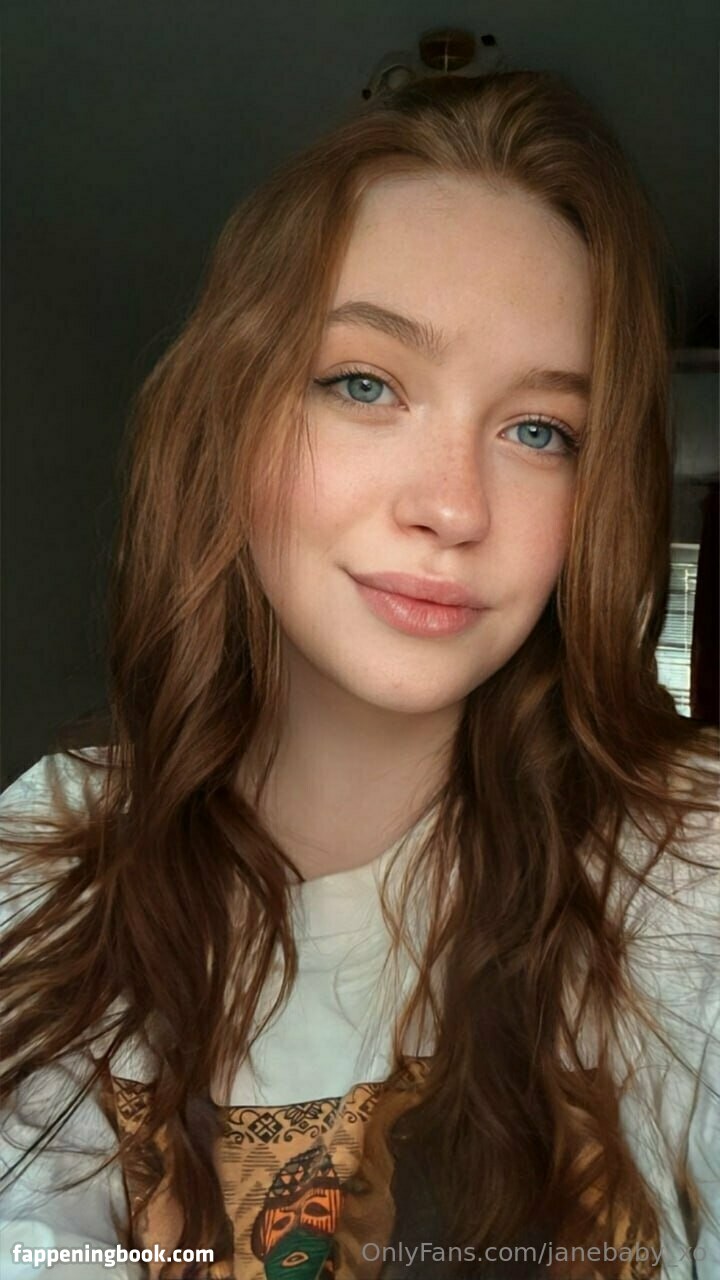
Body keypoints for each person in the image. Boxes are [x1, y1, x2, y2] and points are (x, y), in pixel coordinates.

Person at [1, 69, 718, 1280]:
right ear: (230, 418)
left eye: (540, 429)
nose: (453, 506)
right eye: (365, 383)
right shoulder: (47, 850)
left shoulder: (684, 865)